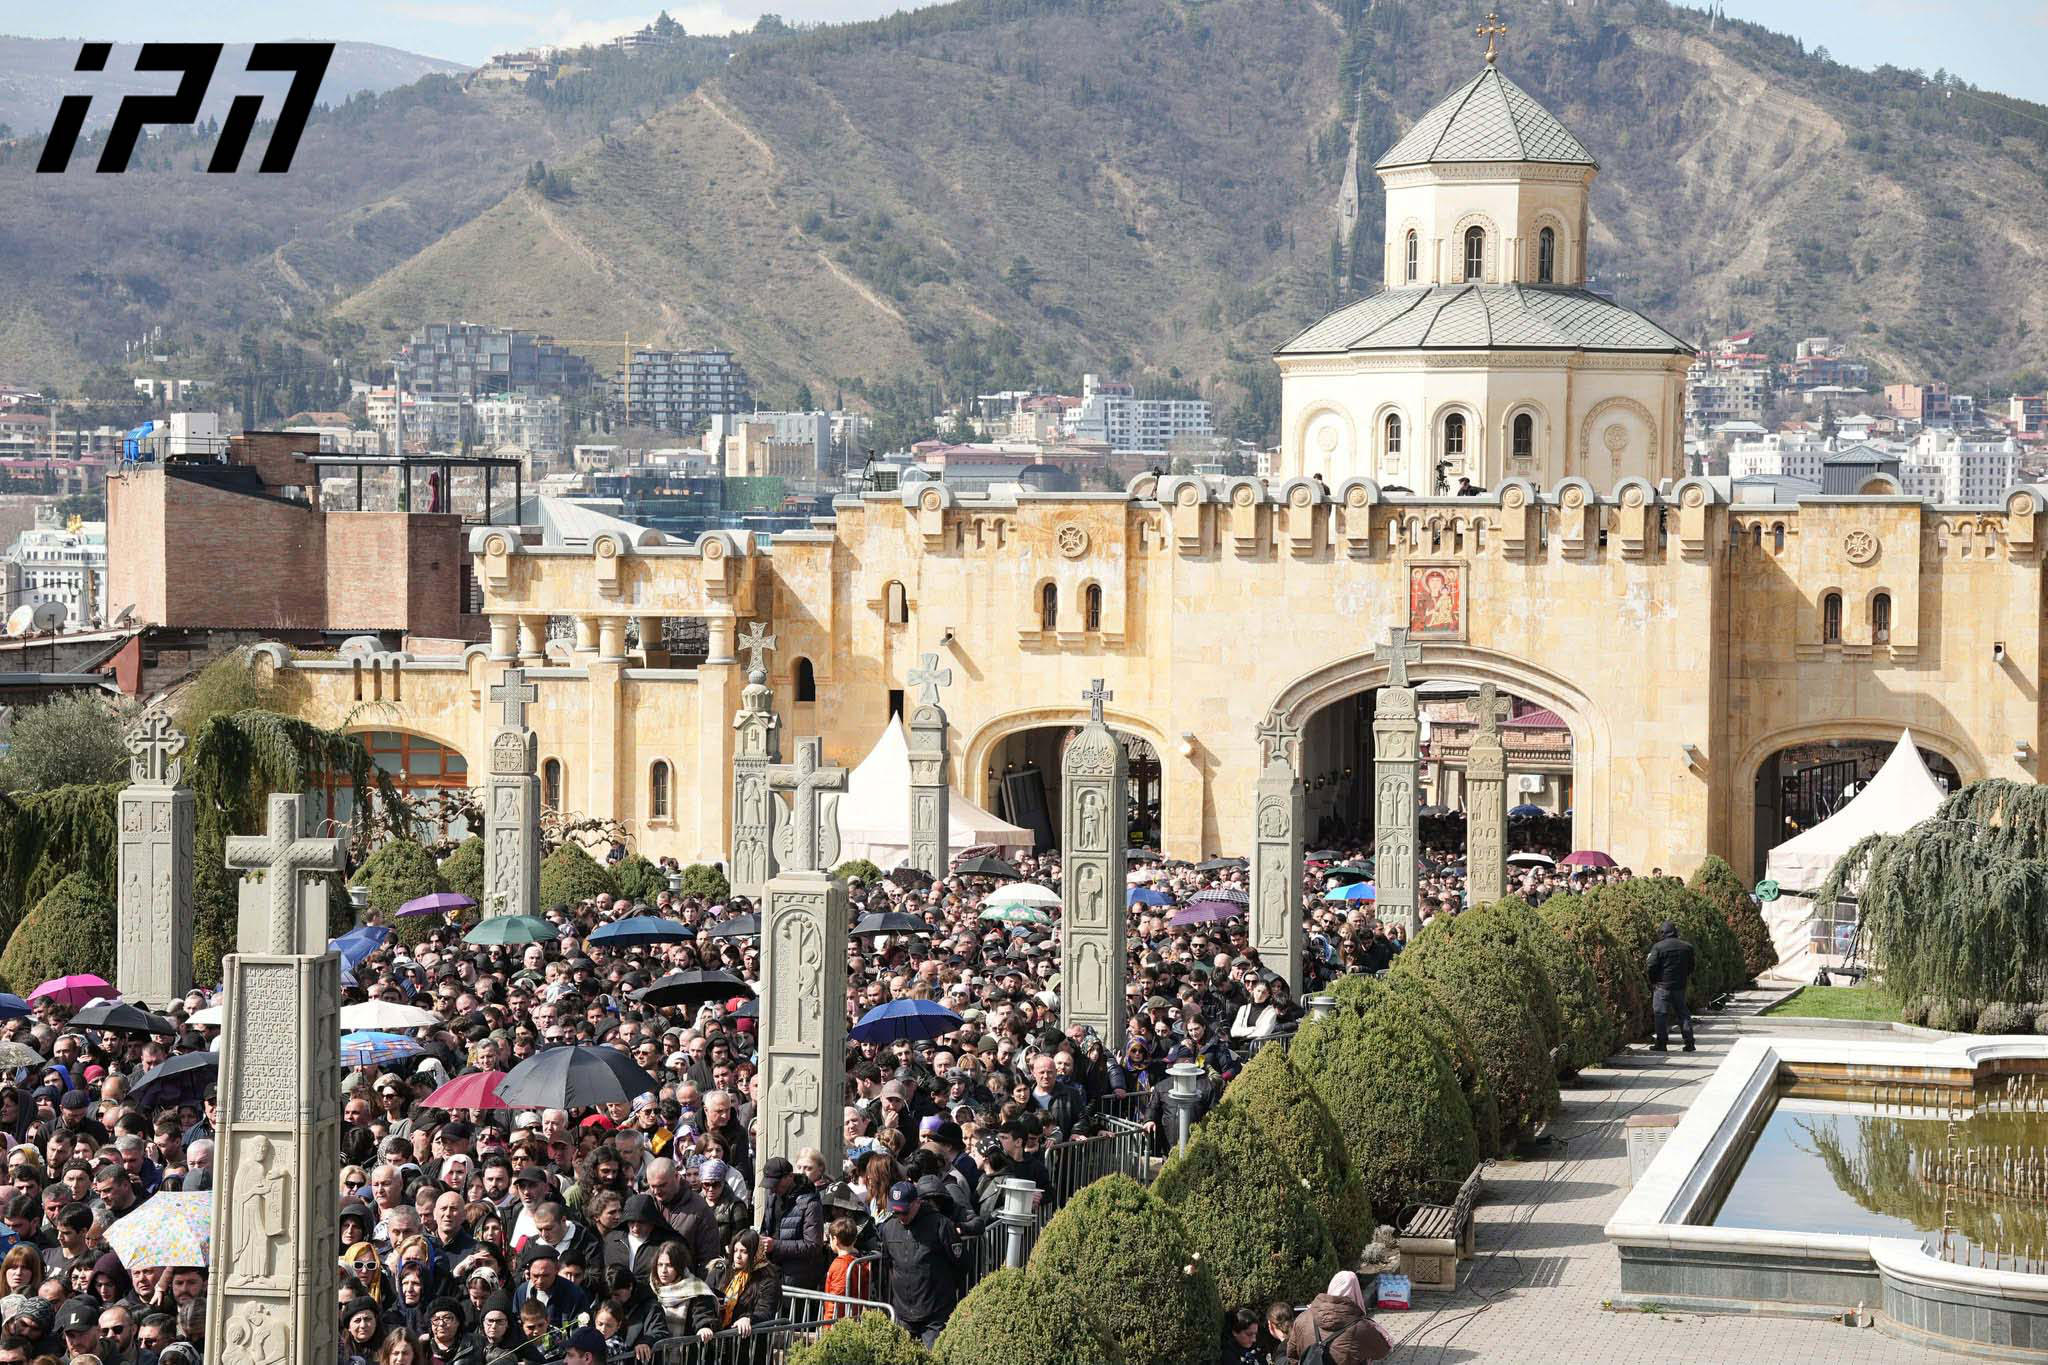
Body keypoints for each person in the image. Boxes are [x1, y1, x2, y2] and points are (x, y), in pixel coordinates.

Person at [872, 1181, 960, 1346]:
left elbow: (960, 1263)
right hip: (903, 1314)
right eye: (896, 1212)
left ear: (917, 1203)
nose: (901, 1217)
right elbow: (887, 1265)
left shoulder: (940, 1224)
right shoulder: (889, 1228)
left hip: (935, 1314)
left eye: (904, 1212)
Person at [1285, 1270, 1390, 1363]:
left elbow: (1292, 1354)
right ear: (1356, 1292)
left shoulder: (1303, 1318)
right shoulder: (1361, 1327)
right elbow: (1382, 1351)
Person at [1645, 919, 1697, 1052]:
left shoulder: (1658, 947)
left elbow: (1651, 965)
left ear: (1663, 932)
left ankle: (1661, 1044)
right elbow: (1691, 966)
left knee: (1660, 1014)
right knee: (1683, 1014)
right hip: (1680, 986)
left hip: (1662, 986)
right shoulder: (1687, 947)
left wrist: (1653, 980)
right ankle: (1689, 1043)